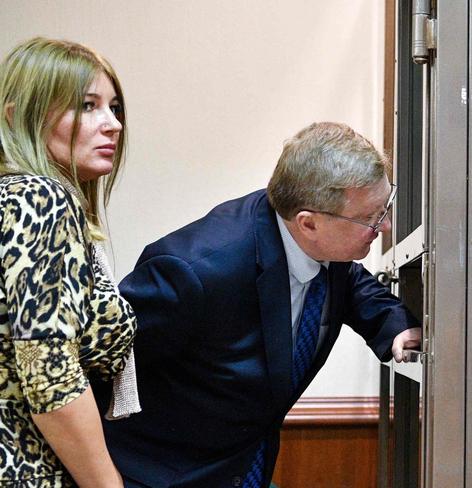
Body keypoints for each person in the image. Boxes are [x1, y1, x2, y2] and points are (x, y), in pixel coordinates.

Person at [95, 121, 421, 487]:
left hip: (245, 463)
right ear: (308, 223)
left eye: (383, 208)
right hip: (164, 474)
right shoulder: (194, 271)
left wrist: (395, 324)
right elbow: (100, 367)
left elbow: (355, 286)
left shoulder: (323, 249)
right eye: (370, 218)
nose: (386, 225)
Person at [0, 38, 137, 486]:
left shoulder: (11, 197)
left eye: (114, 107)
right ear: (20, 116)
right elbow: (50, 375)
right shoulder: (42, 199)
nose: (113, 124)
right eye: (88, 105)